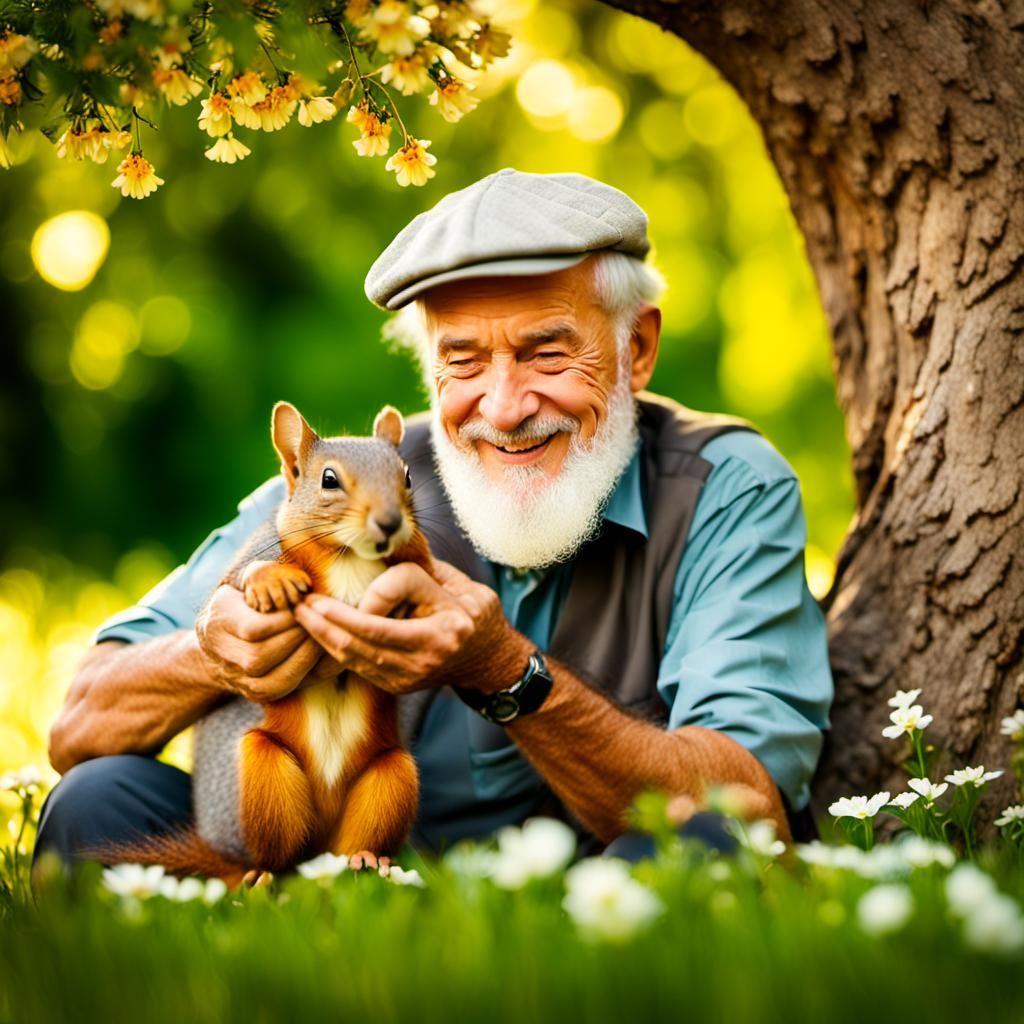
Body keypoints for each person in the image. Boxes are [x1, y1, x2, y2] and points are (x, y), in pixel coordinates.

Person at [35, 169, 833, 870]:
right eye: (462, 360)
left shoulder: (726, 488)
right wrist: (218, 653)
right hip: (360, 894)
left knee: (710, 846)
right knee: (98, 802)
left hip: (608, 916)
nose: (505, 406)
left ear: (637, 348)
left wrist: (505, 673)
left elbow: (749, 804)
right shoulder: (365, 482)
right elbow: (79, 725)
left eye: (547, 354)